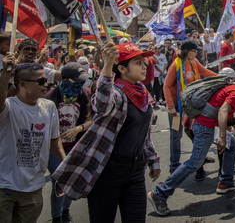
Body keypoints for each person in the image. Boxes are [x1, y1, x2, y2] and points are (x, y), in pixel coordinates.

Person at [53, 41, 161, 223]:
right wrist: (107, 65)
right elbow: (102, 105)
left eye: (144, 62)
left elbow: (144, 133)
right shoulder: (116, 93)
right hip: (107, 171)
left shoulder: (141, 92)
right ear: (122, 68)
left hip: (135, 171)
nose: (144, 66)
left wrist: (152, 159)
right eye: (138, 63)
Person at [148, 70, 235, 216]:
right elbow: (223, 111)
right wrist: (222, 137)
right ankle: (160, 193)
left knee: (232, 145)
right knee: (195, 162)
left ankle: (225, 182)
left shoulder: (234, 88)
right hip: (204, 126)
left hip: (205, 124)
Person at [0, 55, 65, 222]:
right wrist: (6, 73)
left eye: (46, 80)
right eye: (41, 81)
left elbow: (54, 141)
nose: (47, 85)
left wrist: (66, 163)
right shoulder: (8, 106)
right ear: (22, 84)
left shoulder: (49, 107)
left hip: (33, 191)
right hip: (4, 188)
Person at [45, 62, 93, 223]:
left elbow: (92, 120)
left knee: (71, 181)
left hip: (76, 146)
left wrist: (78, 128)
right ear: (65, 79)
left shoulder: (86, 94)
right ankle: (56, 217)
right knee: (59, 181)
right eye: (76, 80)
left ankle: (65, 211)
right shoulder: (50, 97)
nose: (81, 83)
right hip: (54, 148)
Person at [164, 39, 218, 174]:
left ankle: (200, 158)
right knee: (176, 136)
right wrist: (170, 107)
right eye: (194, 51)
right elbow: (166, 86)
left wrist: (222, 78)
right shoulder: (175, 66)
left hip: (192, 104)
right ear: (186, 51)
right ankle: (174, 164)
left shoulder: (194, 62)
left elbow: (206, 73)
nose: (196, 53)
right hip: (177, 106)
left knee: (196, 132)